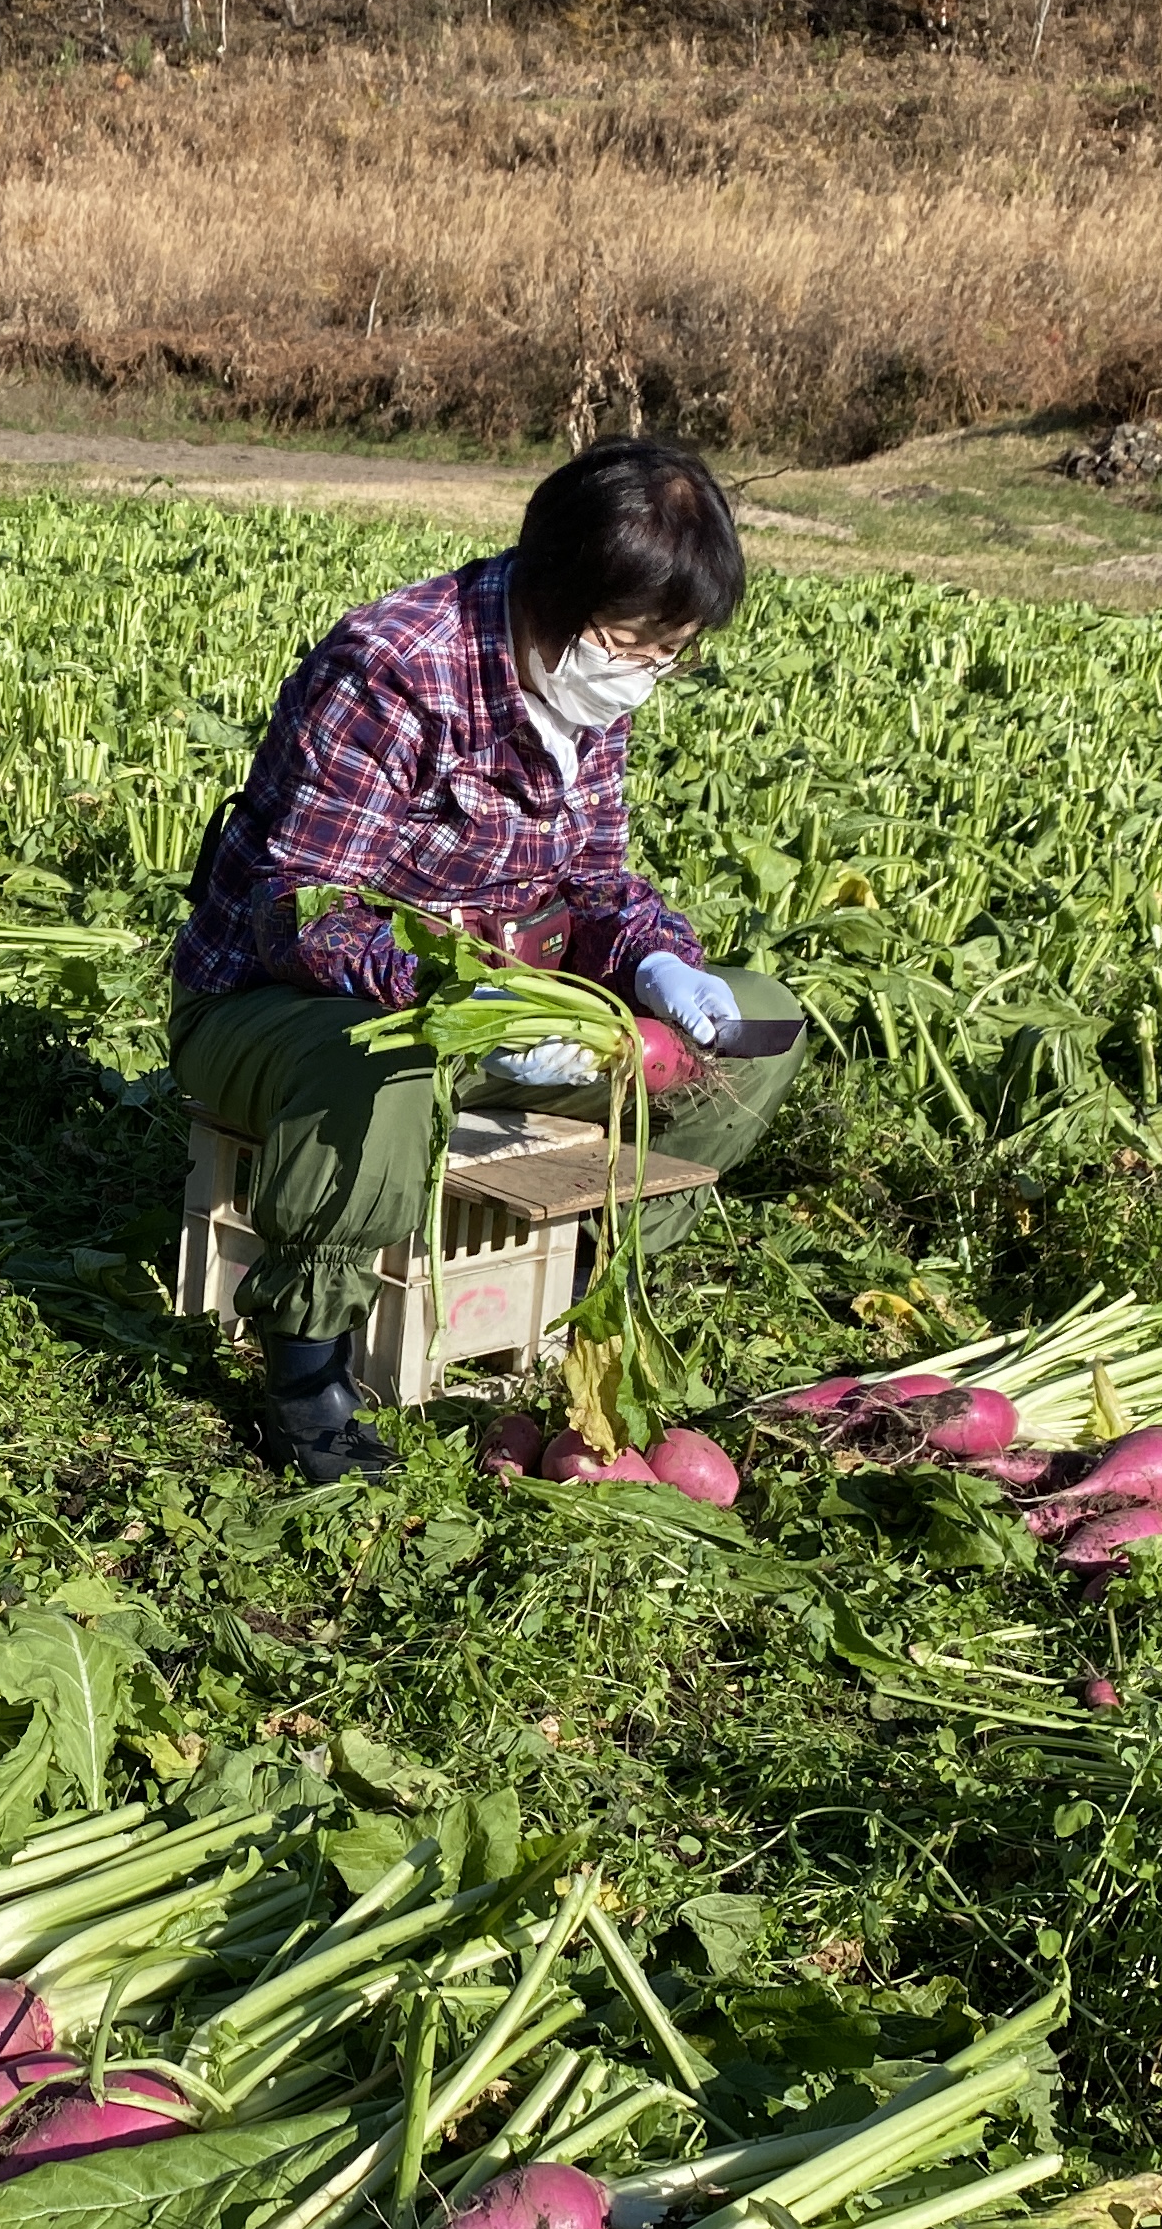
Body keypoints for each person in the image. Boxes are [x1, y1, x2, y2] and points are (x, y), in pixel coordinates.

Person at [171, 438, 810, 1486]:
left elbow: (599, 885)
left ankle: (587, 1292)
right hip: (278, 1011)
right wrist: (489, 1008)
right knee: (388, 1067)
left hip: (500, 1015)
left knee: (756, 1019)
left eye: (671, 652)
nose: (644, 674)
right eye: (630, 642)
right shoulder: (393, 668)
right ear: (552, 595)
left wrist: (655, 967)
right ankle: (308, 1376)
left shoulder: (587, 697)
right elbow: (308, 916)